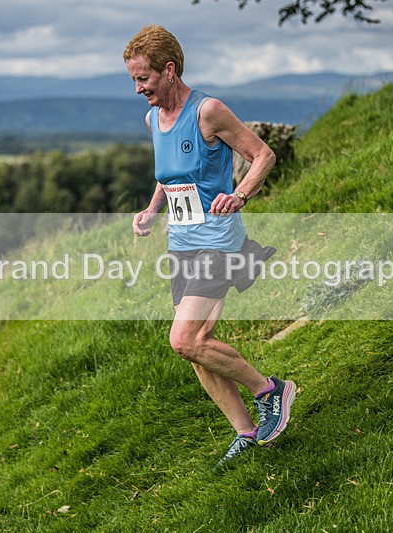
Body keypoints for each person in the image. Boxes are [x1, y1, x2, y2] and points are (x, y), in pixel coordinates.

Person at [124, 24, 296, 467]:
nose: (139, 89)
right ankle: (247, 432)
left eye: (143, 79)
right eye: (133, 80)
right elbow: (169, 177)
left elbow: (263, 155)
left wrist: (239, 194)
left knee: (184, 339)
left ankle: (270, 391)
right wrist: (151, 210)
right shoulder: (152, 119)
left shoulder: (208, 111)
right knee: (199, 347)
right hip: (181, 244)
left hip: (218, 242)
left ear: (169, 69)